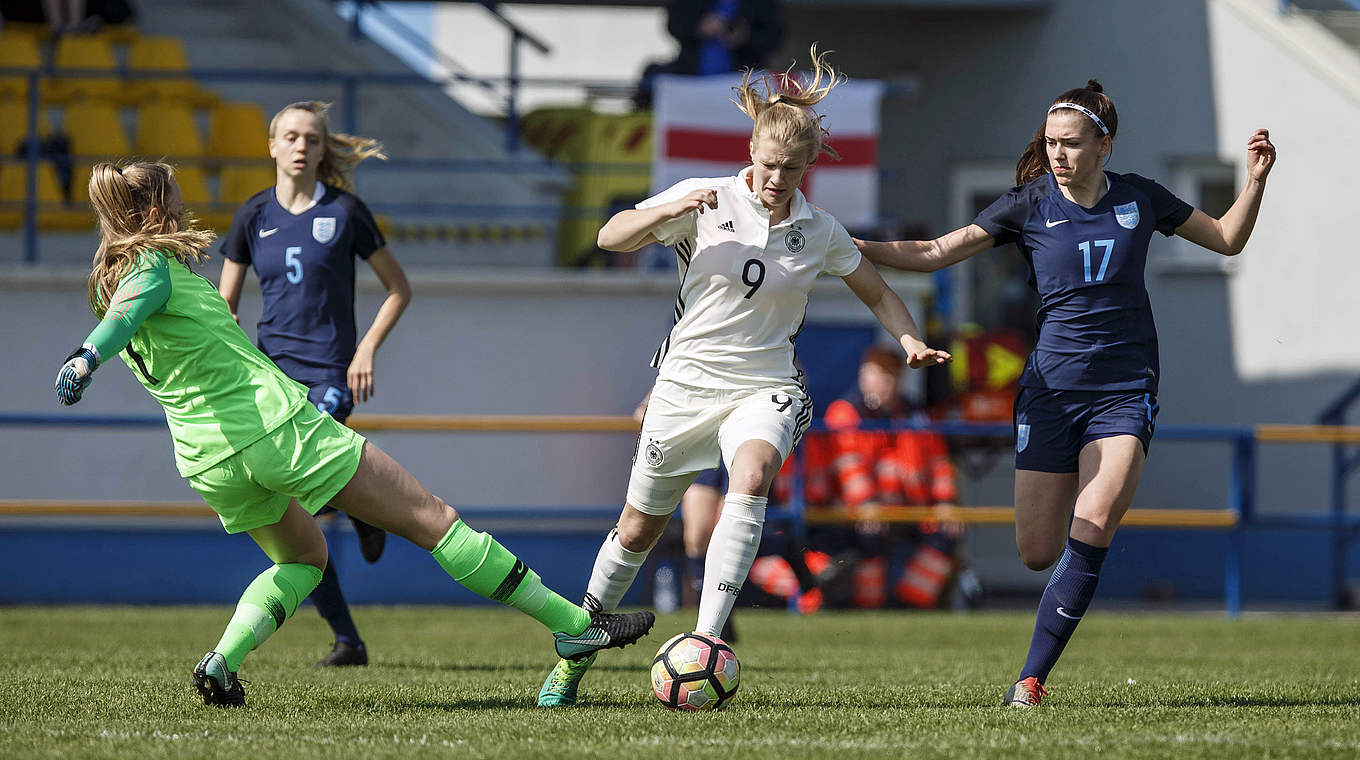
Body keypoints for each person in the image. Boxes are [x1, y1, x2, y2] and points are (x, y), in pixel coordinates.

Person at [54, 161, 655, 707]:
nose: (188, 212)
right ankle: (573, 627)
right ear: (156, 213)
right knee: (434, 519)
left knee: (306, 558)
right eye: (178, 202)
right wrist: (85, 359)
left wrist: (96, 350)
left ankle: (222, 663)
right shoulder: (150, 270)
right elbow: (121, 318)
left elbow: (121, 313)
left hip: (207, 460)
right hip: (273, 430)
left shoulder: (111, 279)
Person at [537, 46, 950, 708]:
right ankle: (575, 653)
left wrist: (908, 340)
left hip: (764, 386)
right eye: (766, 164)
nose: (774, 178)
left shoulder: (820, 231)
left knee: (753, 475)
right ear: (750, 152)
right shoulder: (707, 198)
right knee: (638, 529)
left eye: (790, 168)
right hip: (683, 387)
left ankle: (707, 641)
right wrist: (662, 215)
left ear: (809, 166)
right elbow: (611, 236)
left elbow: (876, 290)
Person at [854, 81, 1275, 706]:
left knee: (1096, 518)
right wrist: (850, 248)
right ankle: (1043, 645)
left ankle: (1031, 679)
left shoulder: (1140, 197)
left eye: (1071, 144)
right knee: (1036, 550)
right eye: (1051, 143)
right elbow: (937, 251)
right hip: (1050, 392)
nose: (1058, 154)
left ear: (1104, 146)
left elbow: (1226, 238)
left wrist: (1256, 182)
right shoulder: (1027, 205)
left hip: (1125, 389)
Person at [217, 101, 409, 668]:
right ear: (273, 147)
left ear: (325, 150)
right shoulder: (251, 216)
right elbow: (224, 307)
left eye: (313, 138)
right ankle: (348, 638)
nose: (302, 146)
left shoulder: (346, 212)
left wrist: (366, 348)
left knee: (302, 491)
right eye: (292, 136)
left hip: (329, 374)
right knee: (297, 519)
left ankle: (364, 517)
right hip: (271, 381)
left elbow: (398, 288)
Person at [633, 0, 784, 109]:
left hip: (742, 86)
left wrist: (745, 36)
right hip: (692, 79)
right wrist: (699, 26)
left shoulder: (761, 4)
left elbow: (775, 35)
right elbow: (674, 22)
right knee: (653, 78)